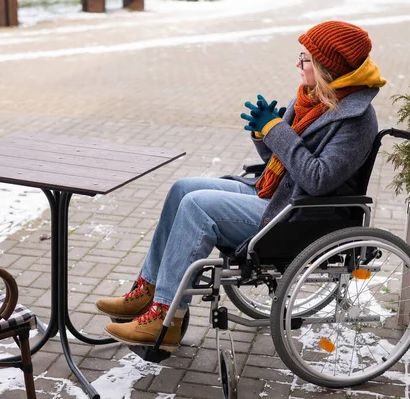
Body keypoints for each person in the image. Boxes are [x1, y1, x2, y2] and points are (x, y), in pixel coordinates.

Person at [96, 20, 387, 351]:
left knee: (197, 207)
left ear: (327, 67)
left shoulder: (357, 118)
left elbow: (317, 178)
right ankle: (147, 290)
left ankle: (167, 318)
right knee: (182, 189)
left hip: (300, 215)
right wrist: (264, 134)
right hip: (279, 195)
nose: (298, 63)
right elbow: (283, 158)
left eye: (305, 58)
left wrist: (277, 130)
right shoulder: (312, 97)